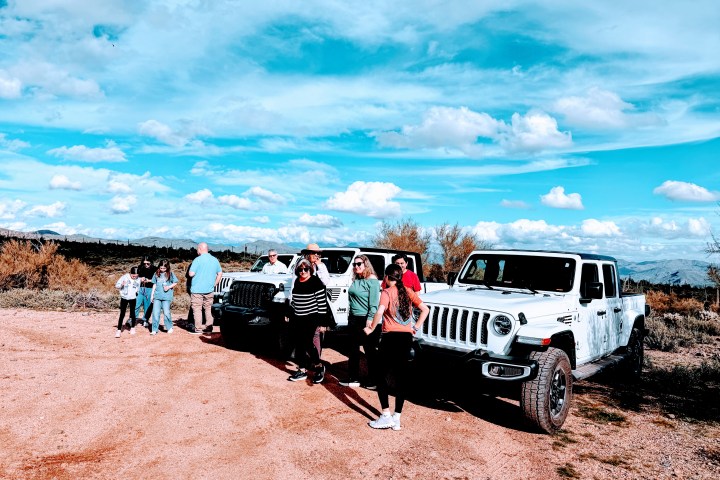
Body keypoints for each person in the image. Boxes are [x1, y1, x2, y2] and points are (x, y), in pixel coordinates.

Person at [364, 264, 429, 431]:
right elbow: (425, 309)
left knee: (380, 374)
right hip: (406, 338)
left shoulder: (386, 292)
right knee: (401, 377)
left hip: (390, 338)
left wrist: (371, 328)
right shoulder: (408, 291)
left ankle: (385, 415)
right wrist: (415, 327)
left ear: (387, 277)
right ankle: (397, 418)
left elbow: (379, 311)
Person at [340, 255, 380, 388]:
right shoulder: (356, 279)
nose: (356, 267)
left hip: (365, 319)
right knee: (353, 349)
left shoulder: (372, 280)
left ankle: (373, 380)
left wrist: (370, 319)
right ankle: (353, 378)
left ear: (365, 265)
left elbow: (374, 303)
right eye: (354, 264)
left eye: (359, 264)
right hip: (353, 318)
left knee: (369, 350)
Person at [285, 259, 328, 384]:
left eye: (305, 269)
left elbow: (322, 303)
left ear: (310, 269)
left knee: (307, 343)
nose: (303, 272)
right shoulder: (297, 282)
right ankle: (302, 370)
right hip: (298, 317)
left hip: (312, 317)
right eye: (300, 269)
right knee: (299, 344)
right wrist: (289, 313)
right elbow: (294, 301)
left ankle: (319, 367)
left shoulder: (316, 282)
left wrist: (323, 323)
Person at [188, 242, 222, 335]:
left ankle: (198, 328)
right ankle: (209, 327)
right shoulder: (215, 260)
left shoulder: (197, 260)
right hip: (209, 289)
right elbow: (220, 273)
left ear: (199, 249)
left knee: (197, 309)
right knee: (208, 308)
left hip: (197, 290)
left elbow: (191, 274)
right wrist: (215, 283)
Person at [150, 259, 178, 336]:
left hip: (166, 296)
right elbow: (154, 284)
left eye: (164, 268)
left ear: (167, 267)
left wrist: (169, 287)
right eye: (161, 268)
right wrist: (152, 295)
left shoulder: (170, 274)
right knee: (155, 313)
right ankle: (154, 329)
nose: (162, 270)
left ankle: (169, 327)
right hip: (157, 296)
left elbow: (175, 282)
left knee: (166, 312)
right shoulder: (156, 273)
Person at [114, 266, 141, 338]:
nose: (134, 277)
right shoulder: (124, 277)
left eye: (136, 276)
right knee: (122, 313)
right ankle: (119, 330)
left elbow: (138, 288)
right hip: (124, 298)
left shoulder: (138, 279)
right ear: (130, 273)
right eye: (133, 276)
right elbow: (117, 285)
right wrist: (122, 285)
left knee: (133, 313)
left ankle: (132, 327)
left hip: (133, 298)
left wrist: (136, 293)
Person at [135, 256, 155, 328]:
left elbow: (157, 279)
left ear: (151, 263)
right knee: (136, 304)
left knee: (147, 305)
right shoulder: (139, 268)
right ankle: (133, 318)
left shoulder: (154, 269)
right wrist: (140, 278)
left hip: (150, 288)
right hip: (140, 288)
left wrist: (149, 280)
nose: (146, 265)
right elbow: (135, 277)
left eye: (148, 263)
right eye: (144, 263)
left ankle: (145, 320)